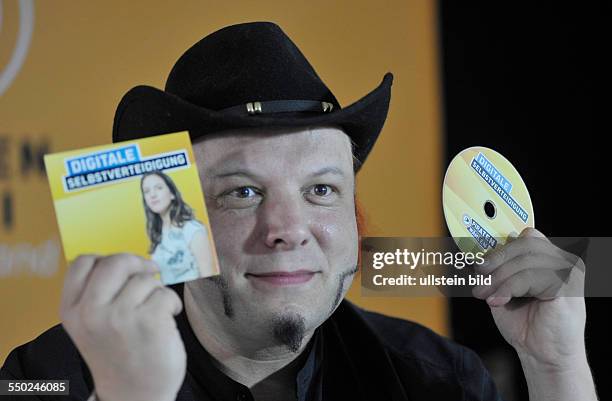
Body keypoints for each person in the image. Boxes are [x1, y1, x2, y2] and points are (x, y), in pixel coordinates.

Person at [0, 22, 598, 401]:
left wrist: (557, 367)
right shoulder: (45, 376)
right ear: (169, 221)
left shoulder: (435, 379)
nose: (287, 230)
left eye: (321, 190)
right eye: (242, 192)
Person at [140, 170, 216, 285]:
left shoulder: (192, 229)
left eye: (158, 188)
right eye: (147, 191)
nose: (152, 195)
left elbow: (209, 278)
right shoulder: (157, 234)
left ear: (172, 194)